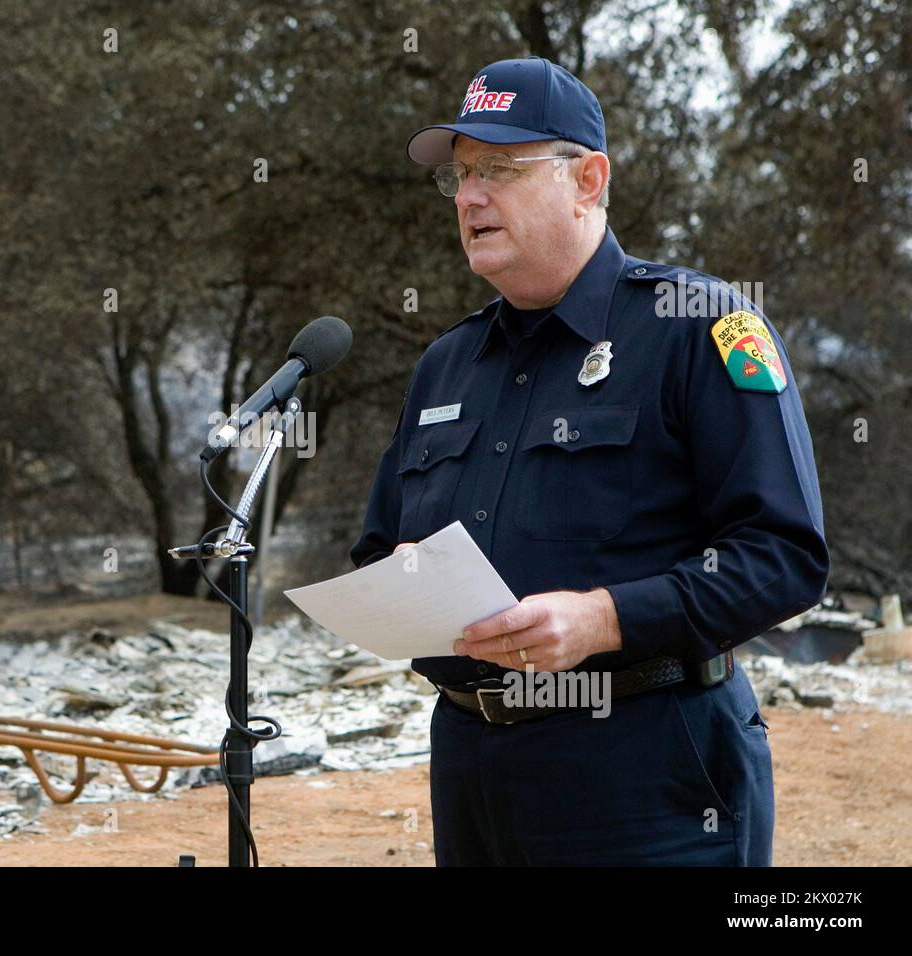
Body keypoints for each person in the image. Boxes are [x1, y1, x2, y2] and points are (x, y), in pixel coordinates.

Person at [350, 56, 828, 866]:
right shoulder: (449, 363)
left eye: (499, 168)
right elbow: (374, 548)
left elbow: (783, 556)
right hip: (474, 773)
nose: (469, 197)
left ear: (588, 179)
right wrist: (403, 583)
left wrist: (603, 618)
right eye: (461, 175)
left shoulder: (698, 326)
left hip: (646, 775)